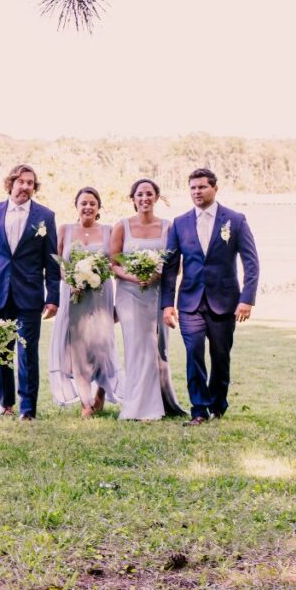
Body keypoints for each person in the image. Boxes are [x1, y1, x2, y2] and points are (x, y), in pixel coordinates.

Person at [162, 168, 259, 426]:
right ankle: (198, 410)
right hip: (190, 302)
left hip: (225, 301)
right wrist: (167, 305)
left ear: (215, 188)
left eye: (202, 187)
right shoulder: (180, 222)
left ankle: (217, 405)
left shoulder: (235, 220)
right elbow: (171, 267)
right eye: (193, 188)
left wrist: (247, 298)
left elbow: (251, 262)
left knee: (220, 356)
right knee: (194, 353)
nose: (197, 192)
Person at [0, 164, 59, 421]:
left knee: (28, 352)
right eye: (21, 181)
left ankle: (28, 409)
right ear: (10, 183)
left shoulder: (45, 216)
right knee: (1, 348)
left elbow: (52, 260)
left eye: (30, 183)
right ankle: (6, 403)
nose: (25, 187)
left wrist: (53, 296)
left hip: (30, 293)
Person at [110, 178, 187, 420]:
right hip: (129, 294)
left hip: (158, 294)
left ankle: (163, 402)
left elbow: (176, 264)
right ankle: (138, 406)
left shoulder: (168, 226)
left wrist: (157, 273)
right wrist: (133, 276)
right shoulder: (121, 226)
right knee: (137, 347)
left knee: (159, 347)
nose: (144, 198)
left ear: (156, 197)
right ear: (133, 199)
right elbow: (114, 262)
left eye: (149, 194)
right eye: (140, 194)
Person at [48, 187, 119, 418]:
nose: (88, 207)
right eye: (83, 203)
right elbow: (59, 263)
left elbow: (114, 264)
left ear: (99, 207)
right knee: (76, 347)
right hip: (74, 295)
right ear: (76, 206)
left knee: (102, 346)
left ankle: (100, 392)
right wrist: (71, 278)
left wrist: (98, 271)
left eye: (92, 203)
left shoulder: (110, 230)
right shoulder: (65, 230)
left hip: (100, 296)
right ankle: (85, 402)